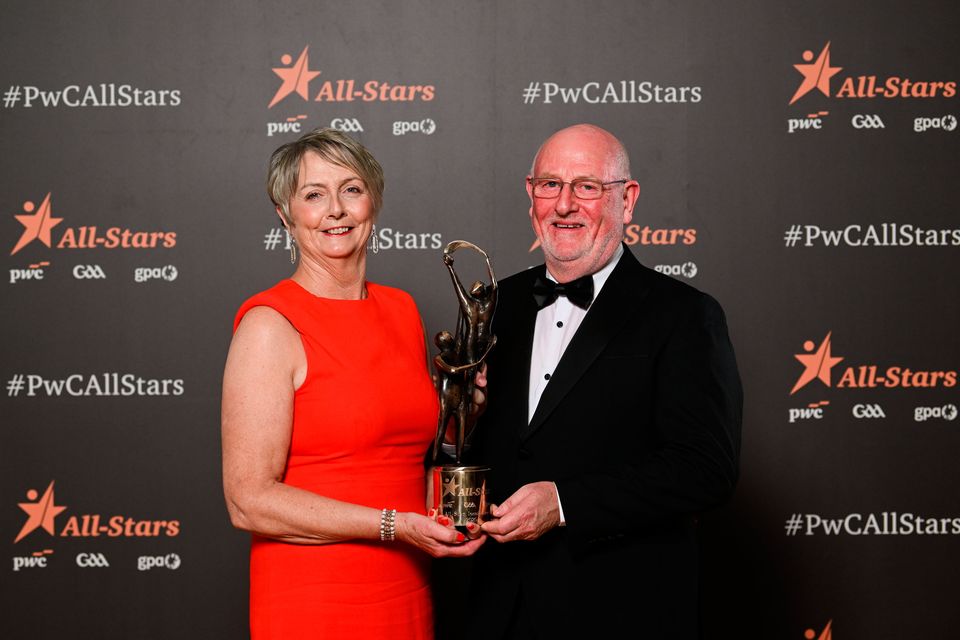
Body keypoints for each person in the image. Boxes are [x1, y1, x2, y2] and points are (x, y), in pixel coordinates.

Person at [456, 123, 743, 639]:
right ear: (531, 195)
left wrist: (564, 503)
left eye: (587, 187)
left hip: (621, 610)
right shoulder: (492, 305)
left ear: (627, 200)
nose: (564, 204)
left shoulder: (684, 315)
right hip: (499, 608)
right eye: (550, 185)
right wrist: (463, 426)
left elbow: (706, 469)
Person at [221, 127, 484, 640]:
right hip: (315, 601)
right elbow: (248, 499)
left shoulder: (401, 309)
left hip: (407, 589)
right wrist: (394, 525)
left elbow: (400, 446)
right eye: (313, 195)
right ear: (285, 215)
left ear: (374, 203)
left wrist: (464, 412)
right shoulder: (270, 325)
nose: (335, 209)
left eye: (352, 189)